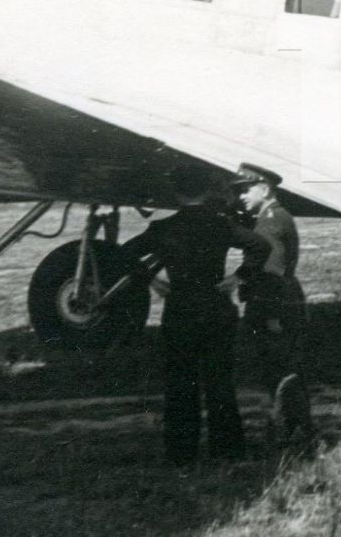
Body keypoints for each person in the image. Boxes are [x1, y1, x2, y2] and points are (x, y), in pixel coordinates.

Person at [130, 165, 262, 467]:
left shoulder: (162, 229)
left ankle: (181, 454)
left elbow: (125, 254)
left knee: (180, 384)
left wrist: (152, 281)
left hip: (180, 310)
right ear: (206, 192)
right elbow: (260, 246)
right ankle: (228, 450)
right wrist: (237, 278)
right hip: (216, 307)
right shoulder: (221, 224)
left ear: (176, 193)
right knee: (220, 382)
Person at [231, 162, 316, 446]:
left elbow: (271, 274)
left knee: (279, 368)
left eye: (245, 189)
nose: (241, 196)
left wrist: (270, 316)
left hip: (273, 305)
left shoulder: (269, 222)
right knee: (284, 366)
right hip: (281, 302)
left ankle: (291, 430)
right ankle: (298, 429)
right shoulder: (274, 215)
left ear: (264, 189)